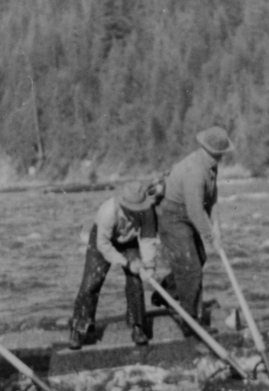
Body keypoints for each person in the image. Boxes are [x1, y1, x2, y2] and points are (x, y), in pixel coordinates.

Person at [154, 126, 233, 337]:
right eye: (219, 154)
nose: (221, 158)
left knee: (199, 256)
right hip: (172, 216)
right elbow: (196, 211)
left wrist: (218, 231)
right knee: (192, 268)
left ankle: (167, 292)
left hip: (187, 212)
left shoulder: (210, 166)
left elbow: (212, 200)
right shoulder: (195, 171)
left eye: (222, 154)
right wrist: (209, 237)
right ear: (210, 151)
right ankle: (191, 322)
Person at [68, 180, 164, 350]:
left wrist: (149, 266)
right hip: (103, 241)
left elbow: (148, 238)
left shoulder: (148, 211)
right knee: (91, 282)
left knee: (135, 281)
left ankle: (137, 326)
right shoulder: (107, 211)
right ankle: (79, 328)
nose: (137, 213)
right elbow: (104, 246)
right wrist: (126, 263)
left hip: (129, 241)